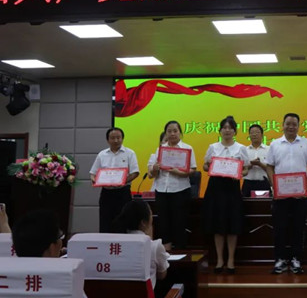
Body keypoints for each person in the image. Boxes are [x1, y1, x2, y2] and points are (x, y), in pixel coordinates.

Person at [266, 113, 307, 274]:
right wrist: (274, 185)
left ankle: (296, 259)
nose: (291, 127)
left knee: (298, 227)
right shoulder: (275, 144)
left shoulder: (306, 143)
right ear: (282, 125)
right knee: (280, 228)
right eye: (288, 123)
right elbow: (269, 167)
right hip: (280, 196)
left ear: (298, 126)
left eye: (294, 124)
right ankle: (280, 260)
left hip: (300, 195)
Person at [202, 116, 250, 274]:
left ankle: (230, 260)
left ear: (235, 131)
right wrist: (209, 166)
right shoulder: (213, 147)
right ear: (220, 130)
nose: (227, 130)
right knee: (218, 224)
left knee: (232, 224)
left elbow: (246, 169)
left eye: (230, 128)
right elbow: (205, 166)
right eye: (224, 127)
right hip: (215, 188)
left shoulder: (241, 148)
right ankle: (219, 260)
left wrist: (239, 173)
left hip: (232, 188)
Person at [149, 120, 197, 250]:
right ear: (166, 133)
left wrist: (179, 173)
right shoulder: (160, 149)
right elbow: (152, 173)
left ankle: (180, 252)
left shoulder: (187, 148)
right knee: (163, 223)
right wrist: (155, 168)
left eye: (175, 131)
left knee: (179, 223)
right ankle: (166, 254)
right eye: (169, 131)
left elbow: (193, 169)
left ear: (180, 133)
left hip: (180, 190)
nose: (172, 134)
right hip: (162, 190)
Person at [90, 127, 140, 233]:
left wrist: (123, 181)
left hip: (123, 193)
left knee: (123, 224)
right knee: (105, 223)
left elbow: (135, 173)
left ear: (122, 138)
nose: (116, 140)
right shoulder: (102, 154)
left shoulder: (130, 153)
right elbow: (93, 173)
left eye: (118, 137)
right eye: (113, 138)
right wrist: (95, 180)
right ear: (108, 140)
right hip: (106, 194)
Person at [113, 200, 169, 288]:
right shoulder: (155, 246)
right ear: (143, 222)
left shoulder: (117, 244)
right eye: (151, 214)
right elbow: (162, 275)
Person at [242, 124, 271, 197]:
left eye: (257, 132)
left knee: (264, 204)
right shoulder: (244, 150)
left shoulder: (269, 149)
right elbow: (241, 169)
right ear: (249, 135)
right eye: (252, 133)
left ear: (262, 135)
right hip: (248, 183)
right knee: (246, 203)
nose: (254, 135)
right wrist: (251, 164)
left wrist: (260, 164)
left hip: (264, 183)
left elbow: (271, 169)